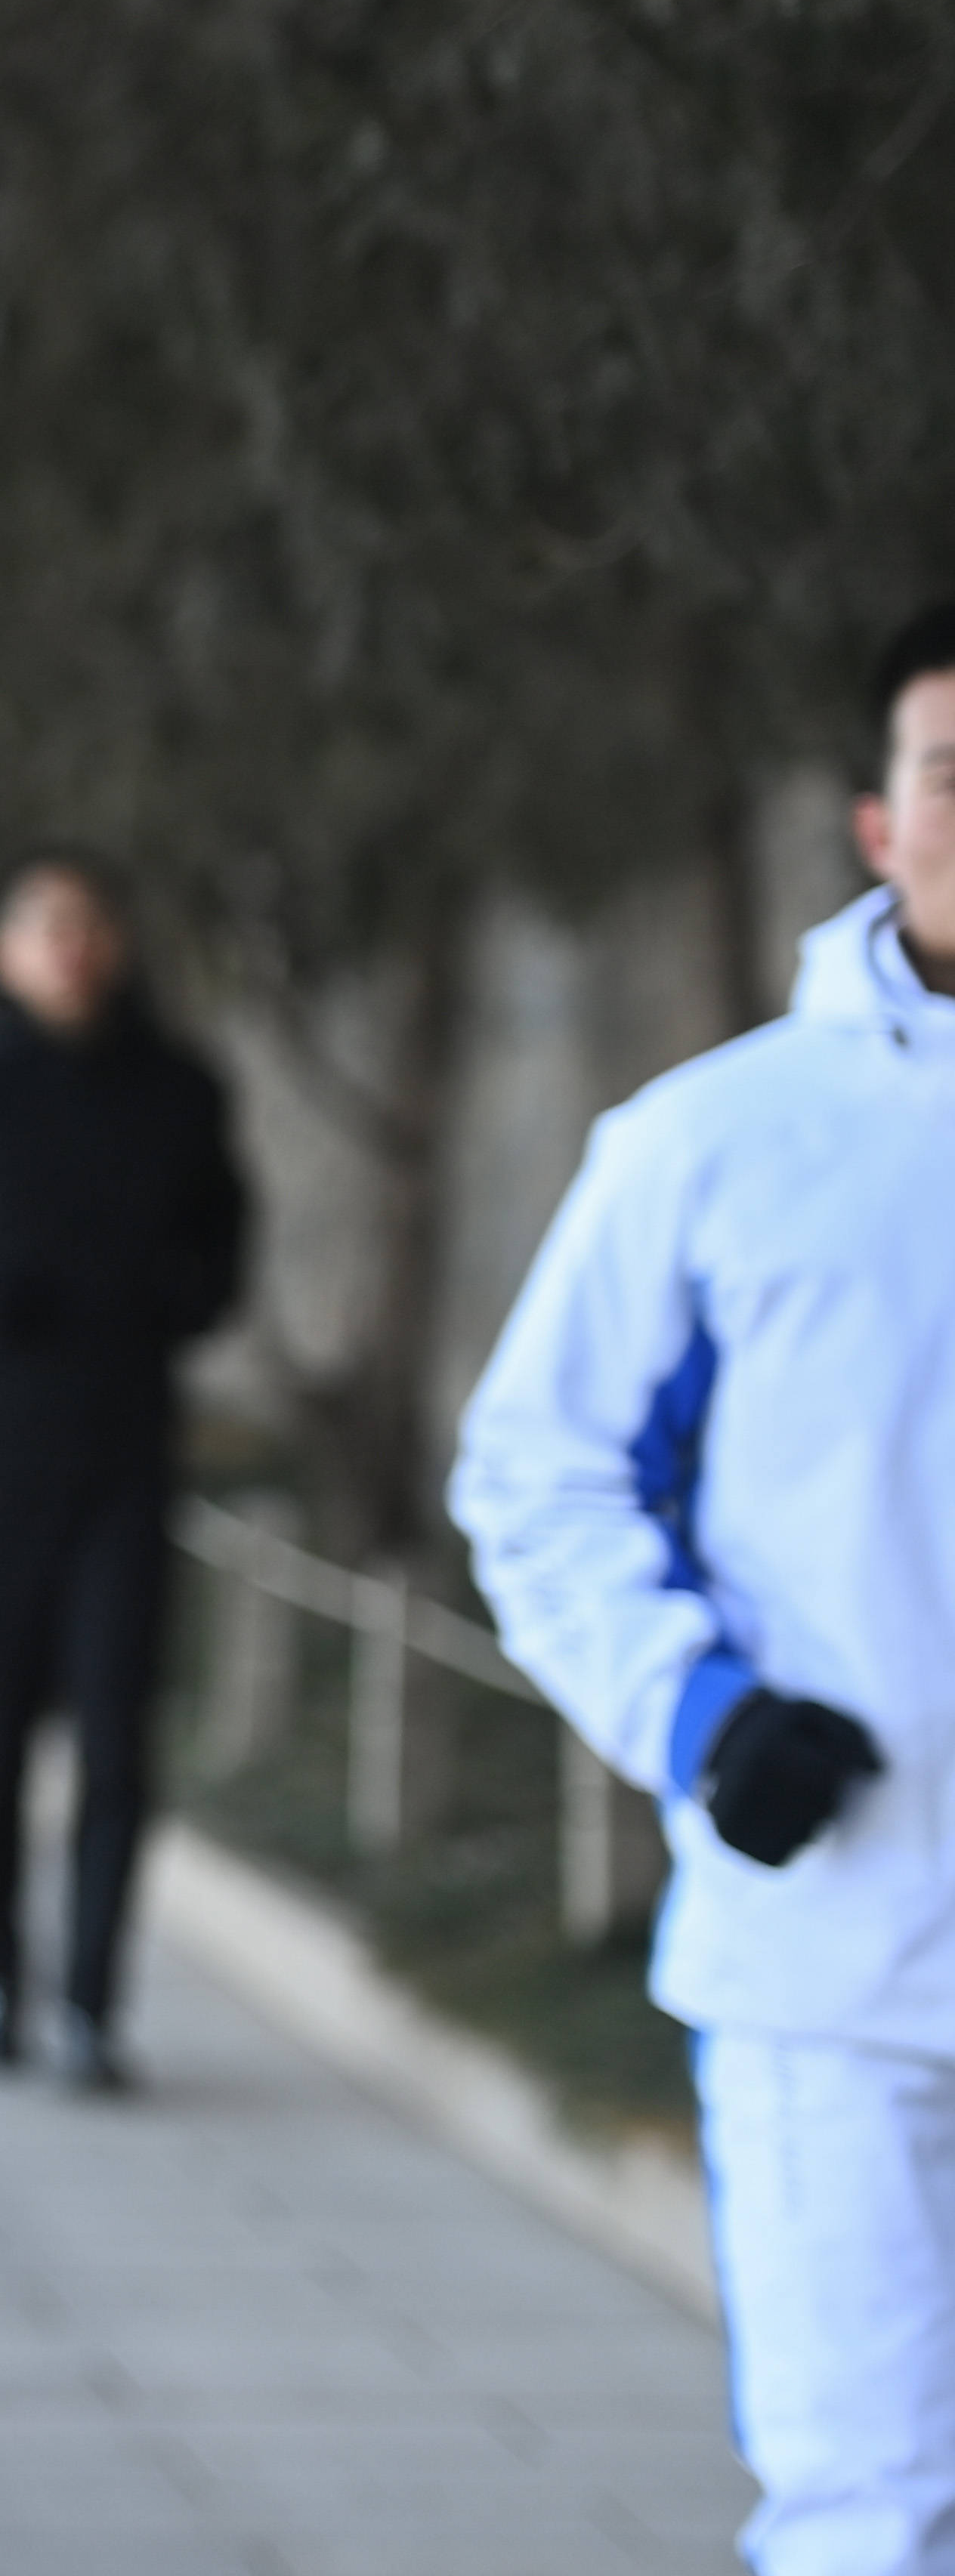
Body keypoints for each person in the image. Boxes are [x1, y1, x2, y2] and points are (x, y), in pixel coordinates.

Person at [452, 603, 955, 2576]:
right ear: (874, 821)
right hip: (835, 1953)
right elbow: (537, 1472)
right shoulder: (715, 1143)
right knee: (874, 2515)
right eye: (951, 773)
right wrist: (699, 1712)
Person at [0, 853, 246, 2093]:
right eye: (45, 925)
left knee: (121, 1738)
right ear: (5, 952)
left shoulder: (181, 1093)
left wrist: (171, 1304)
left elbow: (227, 1246)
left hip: (130, 1452)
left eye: (91, 924)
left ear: (118, 944)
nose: (71, 946)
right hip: (0, 1458)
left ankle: (90, 2003)